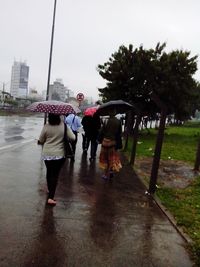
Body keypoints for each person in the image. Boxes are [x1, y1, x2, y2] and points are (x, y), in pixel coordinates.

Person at [38, 113, 75, 206]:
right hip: (59, 154)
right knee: (55, 175)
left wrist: (43, 141)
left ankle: (50, 189)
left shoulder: (46, 126)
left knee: (49, 172)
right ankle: (51, 197)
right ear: (59, 116)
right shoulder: (64, 125)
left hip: (47, 154)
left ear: (49, 117)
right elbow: (73, 138)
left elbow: (41, 140)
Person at [99, 110, 122, 180]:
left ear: (109, 113)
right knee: (112, 157)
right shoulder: (118, 121)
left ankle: (105, 174)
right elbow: (119, 133)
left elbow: (102, 132)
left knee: (105, 158)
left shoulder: (105, 121)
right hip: (113, 142)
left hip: (105, 142)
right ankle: (111, 171)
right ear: (115, 113)